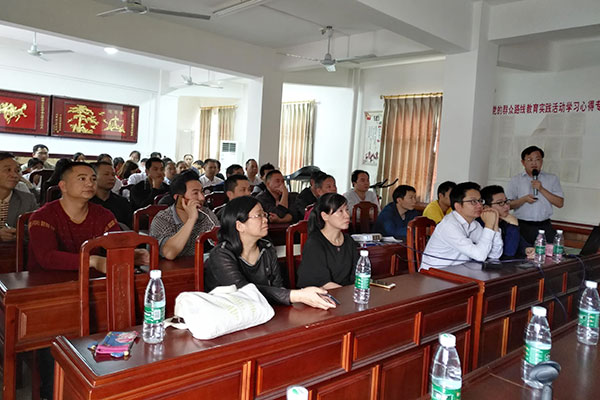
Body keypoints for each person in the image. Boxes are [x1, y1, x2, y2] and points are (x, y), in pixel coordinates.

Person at [204, 196, 335, 309]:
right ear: (240, 226)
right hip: (233, 316)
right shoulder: (221, 255)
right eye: (258, 215)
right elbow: (244, 292)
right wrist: (297, 295)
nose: (265, 219)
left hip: (264, 311)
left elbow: (278, 287)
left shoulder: (267, 248)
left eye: (264, 214)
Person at [27, 162, 149, 272]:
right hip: (46, 282)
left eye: (93, 179)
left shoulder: (103, 215)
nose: (90, 183)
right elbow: (47, 257)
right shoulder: (43, 216)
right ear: (63, 186)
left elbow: (116, 245)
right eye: (82, 179)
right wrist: (92, 261)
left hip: (91, 280)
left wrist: (132, 254)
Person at [420, 182, 503, 270]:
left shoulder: (474, 224)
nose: (480, 205)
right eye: (473, 201)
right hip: (434, 273)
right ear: (458, 206)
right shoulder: (449, 225)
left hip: (458, 270)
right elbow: (480, 256)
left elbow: (494, 255)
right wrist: (489, 225)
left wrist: (495, 224)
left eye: (480, 201)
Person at [150, 170, 219, 260]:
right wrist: (191, 219)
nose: (202, 198)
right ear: (178, 198)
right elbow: (169, 253)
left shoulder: (206, 214)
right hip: (169, 267)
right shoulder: (163, 218)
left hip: (197, 265)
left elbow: (220, 242)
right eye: (195, 193)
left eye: (202, 192)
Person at [296, 193, 358, 289]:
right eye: (340, 211)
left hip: (345, 293)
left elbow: (357, 274)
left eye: (346, 210)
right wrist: (348, 294)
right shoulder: (314, 243)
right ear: (325, 216)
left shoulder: (349, 241)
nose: (347, 215)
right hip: (322, 294)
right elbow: (322, 283)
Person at [506, 146, 564, 244]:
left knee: (551, 251)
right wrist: (524, 199)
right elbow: (508, 205)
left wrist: (541, 189)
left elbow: (560, 203)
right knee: (523, 251)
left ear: (542, 161)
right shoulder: (516, 180)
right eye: (530, 160)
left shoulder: (552, 179)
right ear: (523, 162)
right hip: (522, 225)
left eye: (537, 159)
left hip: (545, 226)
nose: (534, 163)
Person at [480, 185, 528, 257]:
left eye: (506, 201)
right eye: (500, 203)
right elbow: (509, 253)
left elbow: (521, 244)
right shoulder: (480, 225)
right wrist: (513, 226)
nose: (507, 206)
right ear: (486, 207)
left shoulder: (505, 220)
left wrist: (527, 249)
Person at [0, 153, 37, 241]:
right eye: (8, 170)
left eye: (17, 171)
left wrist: (19, 233)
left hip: (15, 249)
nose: (15, 175)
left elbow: (37, 229)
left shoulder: (27, 200)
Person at [90, 162, 133, 229]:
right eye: (106, 174)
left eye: (113, 175)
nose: (112, 178)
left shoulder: (122, 202)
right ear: (93, 177)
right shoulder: (85, 202)